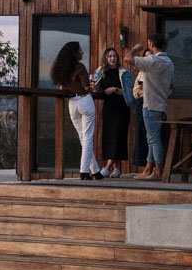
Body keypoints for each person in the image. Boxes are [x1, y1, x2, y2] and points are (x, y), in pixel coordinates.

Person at [50, 40, 101, 180]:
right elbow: (86, 87)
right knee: (88, 137)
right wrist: (93, 86)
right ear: (74, 53)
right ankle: (84, 172)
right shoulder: (80, 67)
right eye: (80, 50)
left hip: (72, 103)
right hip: (85, 101)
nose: (82, 52)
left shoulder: (62, 70)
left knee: (82, 137)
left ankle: (95, 170)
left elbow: (62, 87)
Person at [130, 33, 175, 179]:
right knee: (152, 138)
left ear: (151, 44)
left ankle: (158, 171)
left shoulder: (152, 61)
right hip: (162, 104)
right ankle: (148, 168)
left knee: (154, 139)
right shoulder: (169, 62)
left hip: (150, 104)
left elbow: (127, 59)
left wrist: (135, 49)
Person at [92, 47, 135, 179]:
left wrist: (115, 90)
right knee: (109, 136)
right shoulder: (100, 72)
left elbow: (130, 94)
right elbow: (97, 90)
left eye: (114, 56)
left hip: (121, 108)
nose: (112, 58)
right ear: (106, 58)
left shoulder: (124, 73)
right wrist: (102, 90)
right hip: (108, 108)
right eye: (110, 56)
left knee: (118, 135)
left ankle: (108, 166)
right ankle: (116, 169)